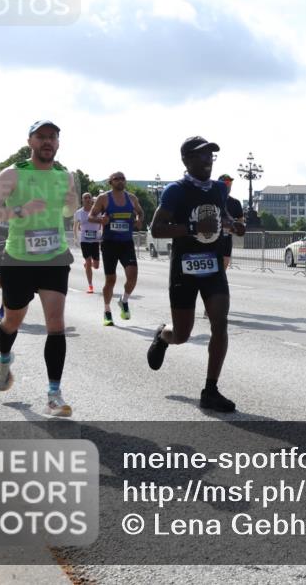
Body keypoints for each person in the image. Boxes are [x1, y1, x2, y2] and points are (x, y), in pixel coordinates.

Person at [0, 119, 78, 417]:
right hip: (19, 259)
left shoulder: (66, 175)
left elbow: (65, 212)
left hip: (54, 258)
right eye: (41, 137)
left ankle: (53, 395)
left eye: (53, 137)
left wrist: (70, 206)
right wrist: (19, 210)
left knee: (56, 324)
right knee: (12, 321)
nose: (48, 141)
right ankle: (5, 360)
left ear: (58, 143)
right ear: (30, 141)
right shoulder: (12, 174)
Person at [146, 136, 246, 413]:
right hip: (184, 266)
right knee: (182, 333)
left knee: (220, 323)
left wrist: (233, 225)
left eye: (210, 156)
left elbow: (220, 216)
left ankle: (210, 390)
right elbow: (157, 229)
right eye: (201, 156)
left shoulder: (217, 189)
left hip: (212, 265)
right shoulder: (174, 191)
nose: (207, 161)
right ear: (186, 160)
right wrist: (192, 228)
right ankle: (162, 336)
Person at [88, 172, 143, 325]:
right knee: (110, 280)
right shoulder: (103, 198)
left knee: (132, 276)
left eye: (123, 178)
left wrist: (139, 221)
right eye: (117, 179)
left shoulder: (131, 198)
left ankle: (124, 300)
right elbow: (91, 216)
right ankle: (107, 311)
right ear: (110, 182)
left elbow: (140, 212)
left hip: (126, 243)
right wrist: (101, 220)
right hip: (109, 243)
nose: (120, 181)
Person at [73, 192, 103, 293]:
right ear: (82, 200)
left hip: (95, 240)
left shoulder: (97, 211)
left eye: (89, 197)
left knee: (97, 266)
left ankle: (87, 265)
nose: (87, 199)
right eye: (85, 198)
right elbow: (75, 226)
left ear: (91, 199)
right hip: (84, 240)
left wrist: (102, 234)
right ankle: (90, 286)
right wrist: (76, 237)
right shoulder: (79, 212)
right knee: (89, 261)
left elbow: (101, 223)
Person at [217, 174, 245, 271]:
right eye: (226, 182)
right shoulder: (213, 200)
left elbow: (241, 220)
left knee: (224, 265)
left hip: (226, 238)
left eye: (230, 183)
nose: (228, 185)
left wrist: (235, 228)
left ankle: (220, 282)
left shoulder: (235, 202)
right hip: (213, 238)